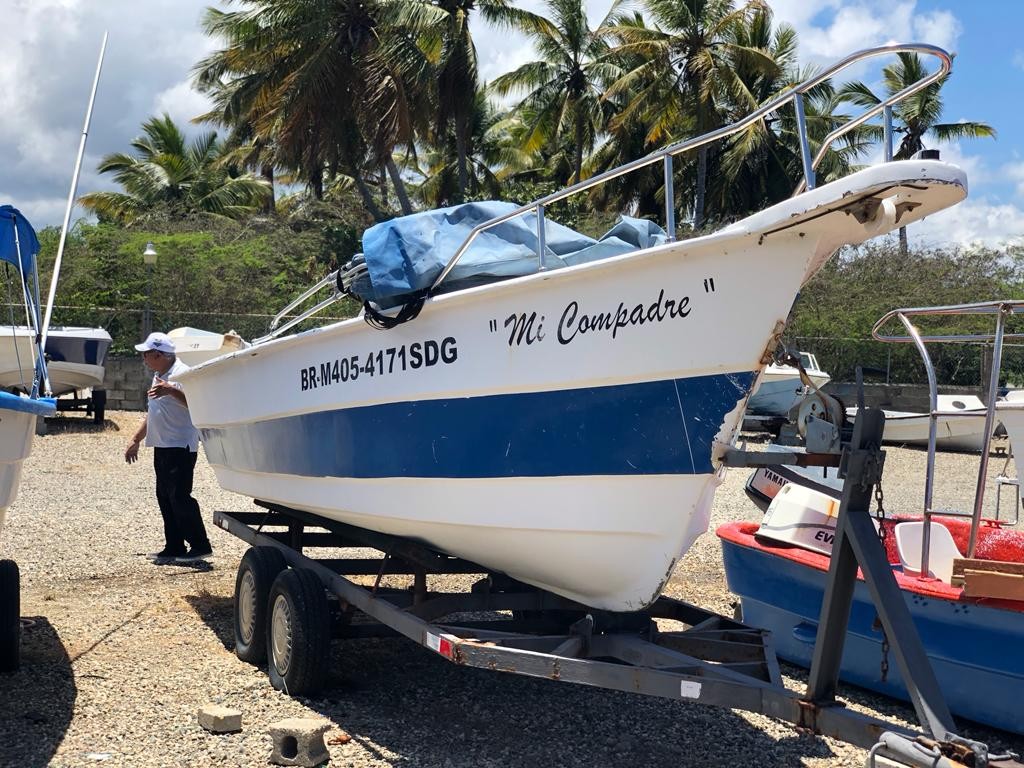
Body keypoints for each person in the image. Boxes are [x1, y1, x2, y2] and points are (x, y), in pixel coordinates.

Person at [124, 332, 212, 564]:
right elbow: (153, 413)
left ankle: (200, 545)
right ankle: (174, 545)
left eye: (146, 354)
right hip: (162, 444)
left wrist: (172, 390)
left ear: (159, 354)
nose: (143, 358)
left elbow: (198, 405)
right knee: (165, 496)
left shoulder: (182, 374)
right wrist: (136, 439)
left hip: (180, 445)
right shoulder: (159, 375)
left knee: (180, 496)